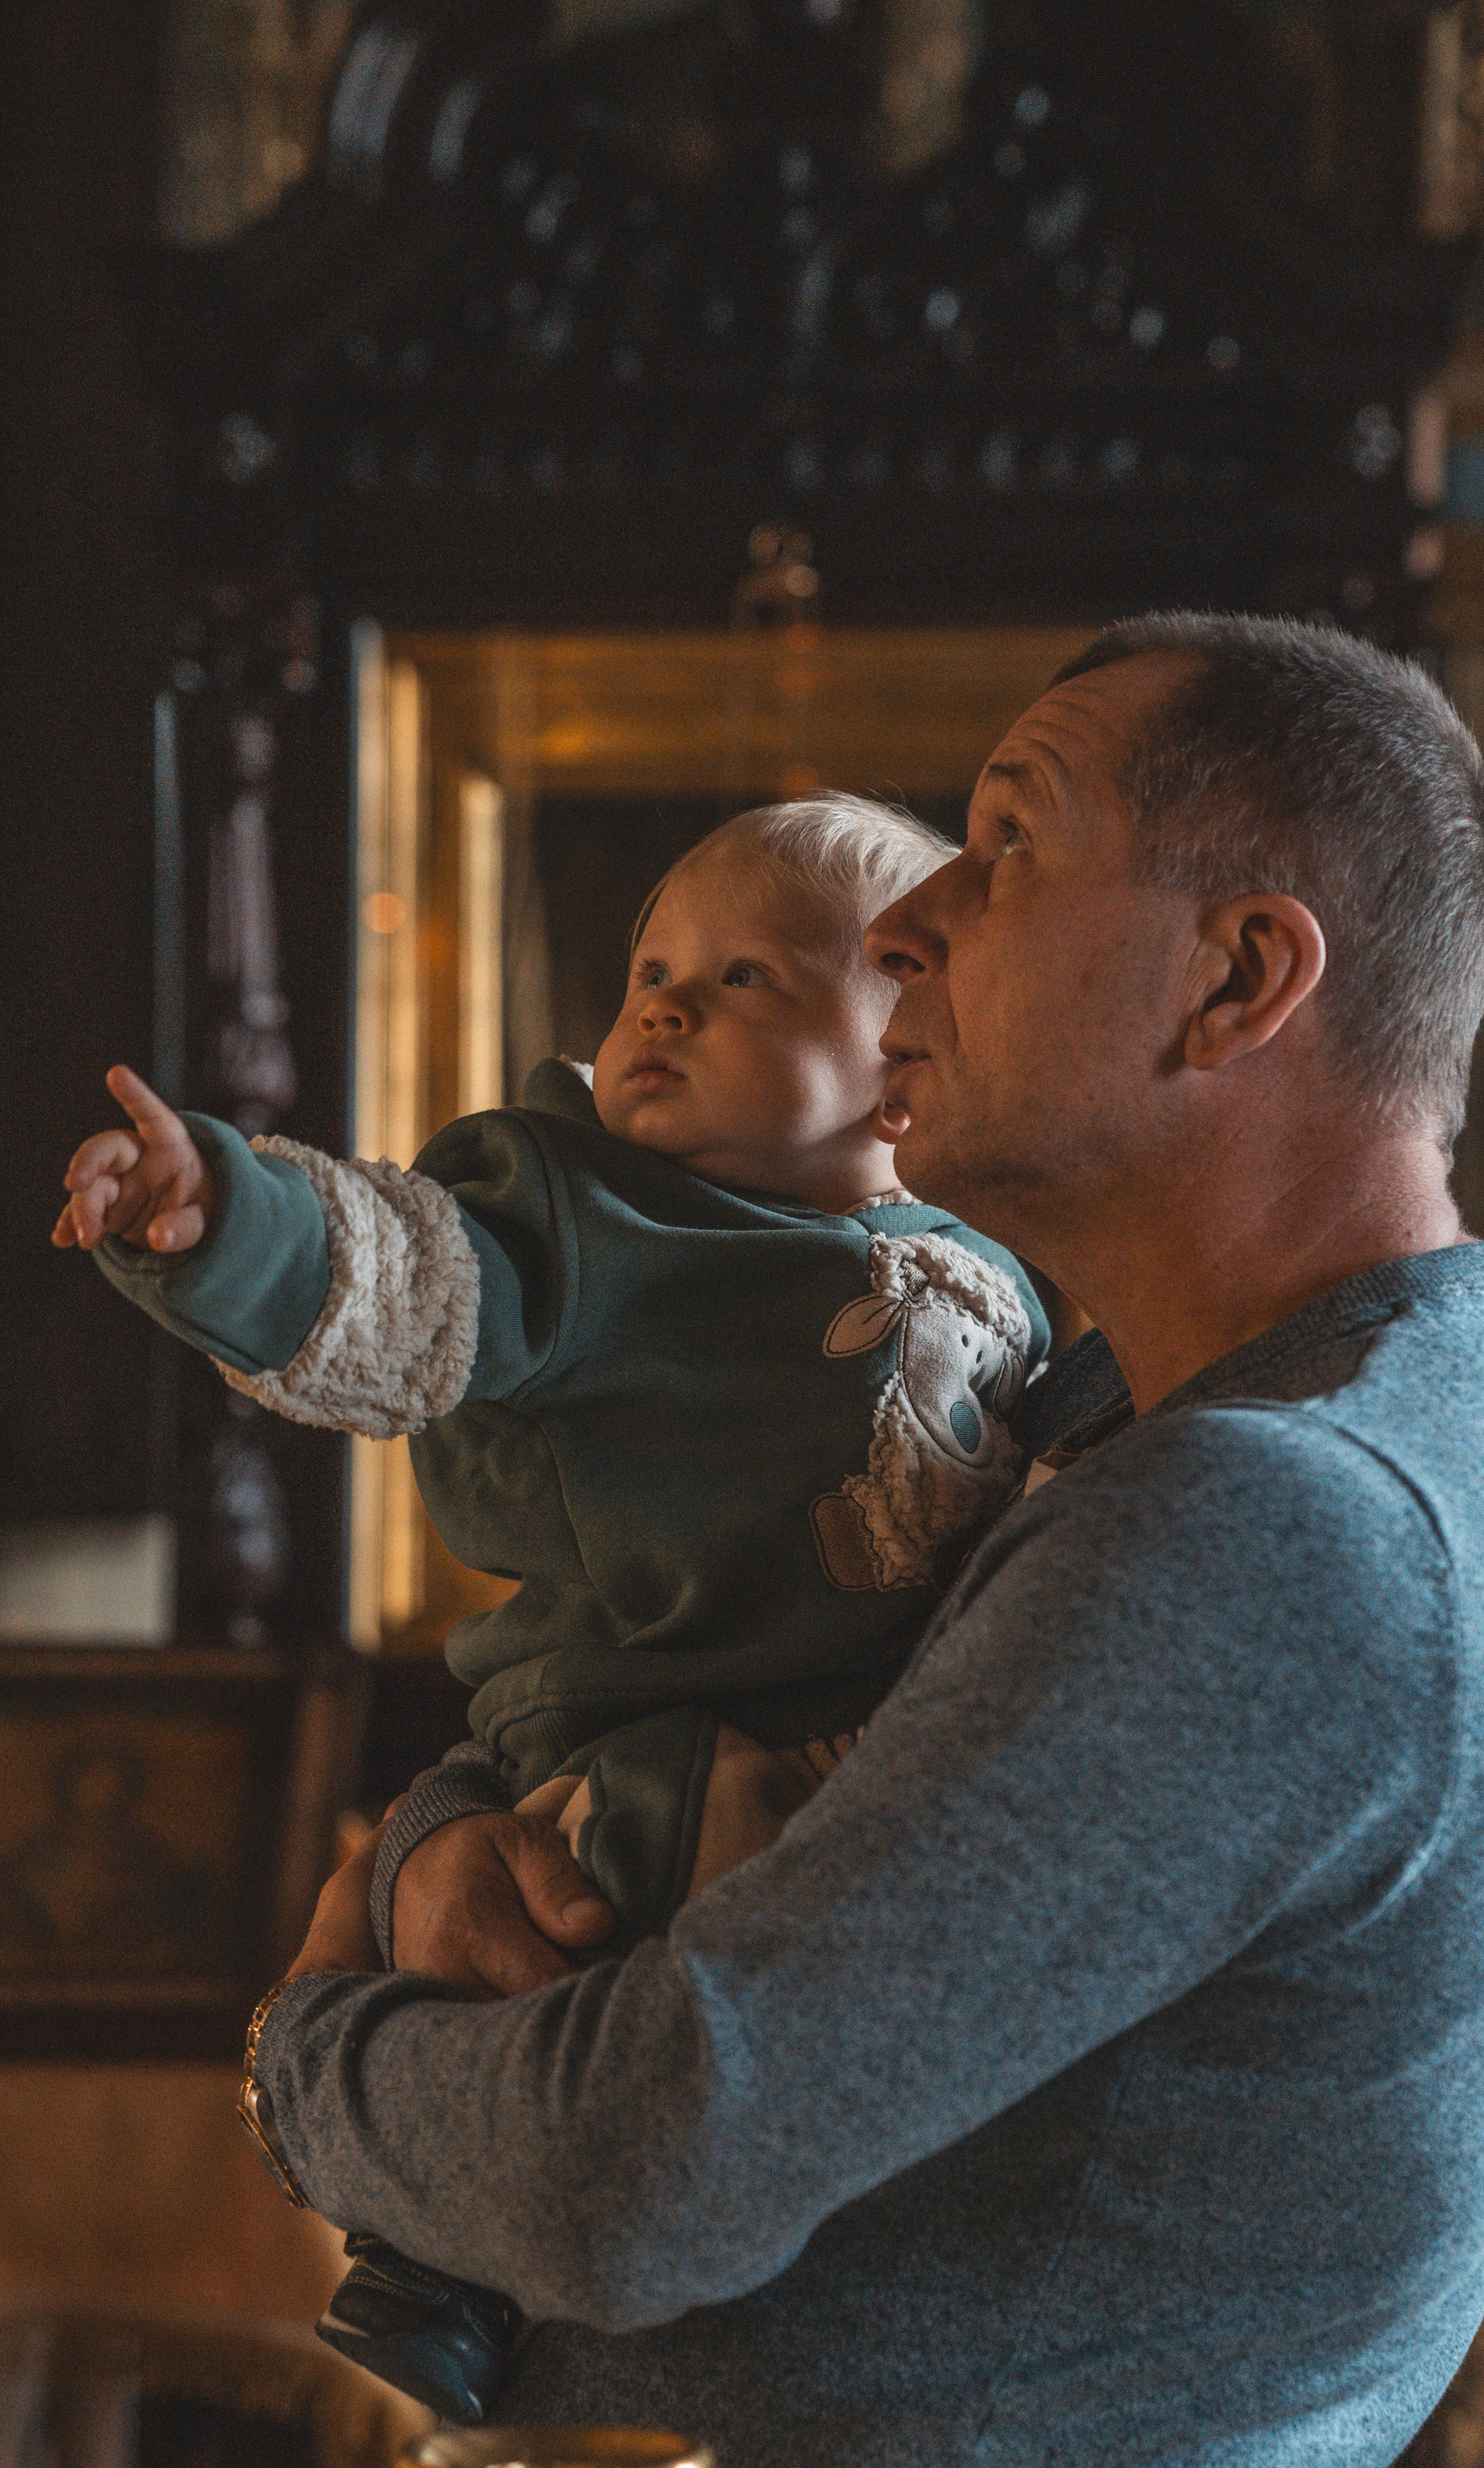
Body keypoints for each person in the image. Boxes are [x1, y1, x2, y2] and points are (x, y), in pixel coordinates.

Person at [242, 614, 1484, 2468]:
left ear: (1239, 980)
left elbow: (639, 2165)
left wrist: (309, 2056)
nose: (910, 926)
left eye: (1009, 846)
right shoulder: (1199, 1422)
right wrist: (443, 1849)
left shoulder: (1274, 1519)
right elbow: (683, 1704)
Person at [53, 795, 1050, 2419]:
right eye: (651, 969)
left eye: (748, 981)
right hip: (640, 1725)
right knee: (599, 1943)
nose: (662, 1006)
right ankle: (433, 2271)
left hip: (867, 1722)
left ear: (907, 1051)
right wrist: (229, 1220)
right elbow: (407, 1266)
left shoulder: (981, 1243)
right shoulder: (583, 1215)